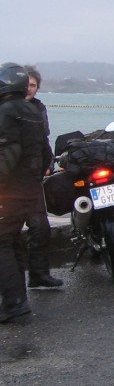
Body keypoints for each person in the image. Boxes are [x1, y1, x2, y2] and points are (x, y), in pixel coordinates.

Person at [0, 63, 51, 322]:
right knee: (14, 243)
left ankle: (14, 303)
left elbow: (8, 153)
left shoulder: (7, 112)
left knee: (3, 243)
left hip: (9, 191)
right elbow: (46, 154)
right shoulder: (32, 111)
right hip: (30, 189)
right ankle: (18, 299)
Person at [18, 65, 61, 288]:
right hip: (10, 180)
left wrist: (49, 163)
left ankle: (39, 274)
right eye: (26, 84)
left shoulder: (39, 109)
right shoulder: (5, 109)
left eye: (33, 85)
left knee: (40, 227)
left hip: (32, 180)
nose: (29, 89)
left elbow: (44, 140)